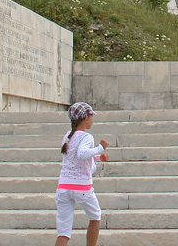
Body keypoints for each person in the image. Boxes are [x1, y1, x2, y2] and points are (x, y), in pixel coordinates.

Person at [55, 102, 110, 246]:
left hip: (63, 186)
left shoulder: (67, 136)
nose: (93, 120)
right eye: (91, 117)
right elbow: (82, 154)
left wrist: (98, 158)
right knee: (95, 217)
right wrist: (100, 148)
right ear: (86, 118)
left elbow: (74, 157)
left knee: (64, 231)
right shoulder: (86, 137)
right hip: (81, 186)